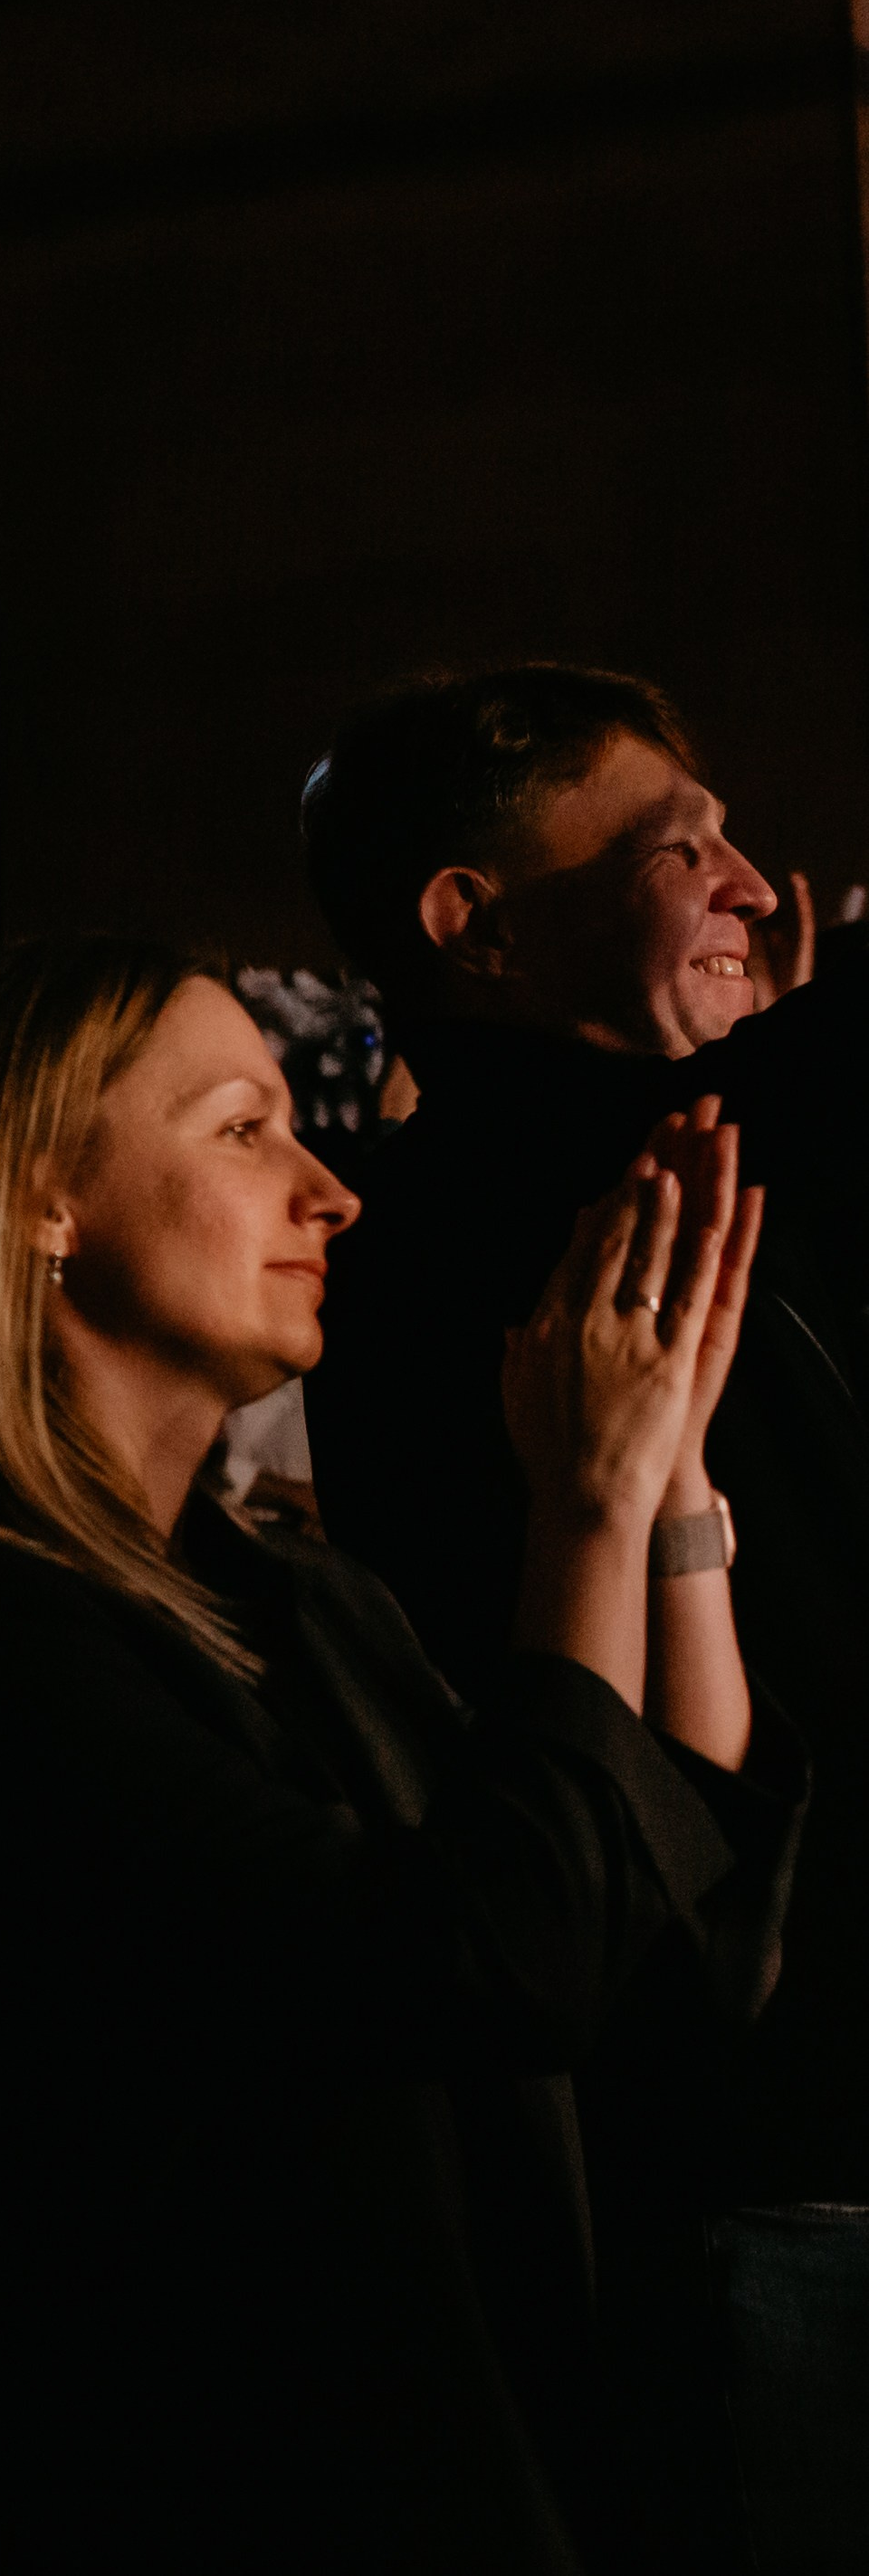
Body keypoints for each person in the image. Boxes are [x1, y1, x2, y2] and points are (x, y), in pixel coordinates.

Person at [0, 937, 802, 2573]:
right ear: (45, 1195)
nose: (327, 1190)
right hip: (239, 2494)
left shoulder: (294, 1589)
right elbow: (492, 1956)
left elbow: (682, 1956)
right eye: (245, 1128)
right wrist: (579, 1513)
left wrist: (669, 1491)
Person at [300, 667, 869, 2210]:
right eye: (680, 851)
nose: (749, 882)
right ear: (474, 925)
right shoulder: (480, 1220)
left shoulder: (714, 1156)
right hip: (736, 2115)